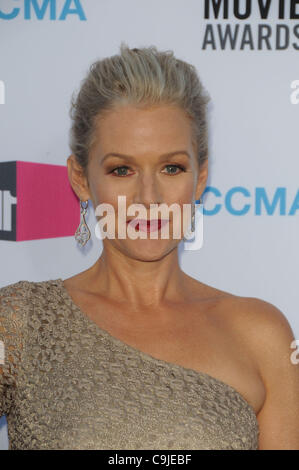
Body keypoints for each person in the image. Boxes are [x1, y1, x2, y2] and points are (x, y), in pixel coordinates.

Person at [1, 43, 299, 450]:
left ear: (199, 177)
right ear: (81, 178)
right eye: (121, 169)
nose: (148, 197)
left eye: (171, 167)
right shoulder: (20, 323)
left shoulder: (261, 335)